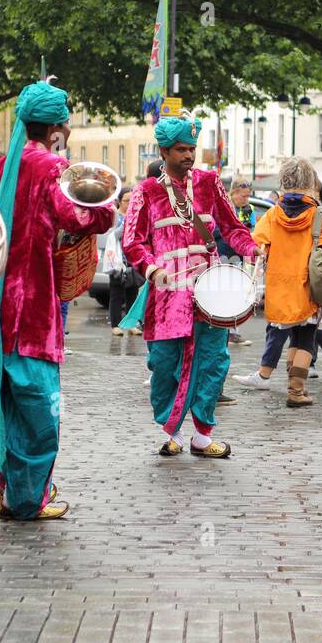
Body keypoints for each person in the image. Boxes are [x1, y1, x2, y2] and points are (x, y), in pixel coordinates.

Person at [0, 80, 115, 520]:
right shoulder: (51, 166)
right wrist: (106, 211)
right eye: (67, 124)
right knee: (41, 412)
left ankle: (8, 489)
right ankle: (26, 499)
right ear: (58, 126)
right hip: (32, 308)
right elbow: (77, 215)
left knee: (6, 405)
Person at [122, 115, 258, 457]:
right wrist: (152, 270)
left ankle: (201, 434)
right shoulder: (146, 191)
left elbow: (233, 228)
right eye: (181, 149)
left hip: (209, 290)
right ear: (164, 151)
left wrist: (253, 248)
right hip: (166, 294)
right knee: (164, 363)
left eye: (192, 148)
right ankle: (173, 431)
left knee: (214, 360)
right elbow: (132, 241)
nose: (188, 155)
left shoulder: (211, 183)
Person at [251, 157, 322, 407]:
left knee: (292, 336)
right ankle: (296, 391)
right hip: (308, 286)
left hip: (279, 286)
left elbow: (256, 242)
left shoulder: (273, 213)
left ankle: (290, 384)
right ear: (310, 182)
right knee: (305, 338)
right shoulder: (320, 216)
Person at [215, 177, 255, 346]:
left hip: (239, 256)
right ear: (234, 193)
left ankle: (233, 331)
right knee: (222, 293)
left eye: (248, 196)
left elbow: (252, 230)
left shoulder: (249, 209)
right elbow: (215, 230)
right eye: (243, 196)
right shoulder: (224, 207)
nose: (246, 200)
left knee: (236, 293)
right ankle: (223, 331)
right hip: (222, 254)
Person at [105, 187, 141, 335]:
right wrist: (125, 226)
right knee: (116, 294)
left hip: (132, 259)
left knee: (132, 292)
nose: (129, 203)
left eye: (132, 200)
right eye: (126, 200)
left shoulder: (136, 215)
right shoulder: (114, 216)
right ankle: (115, 325)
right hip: (117, 261)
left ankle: (131, 324)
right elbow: (111, 235)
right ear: (120, 201)